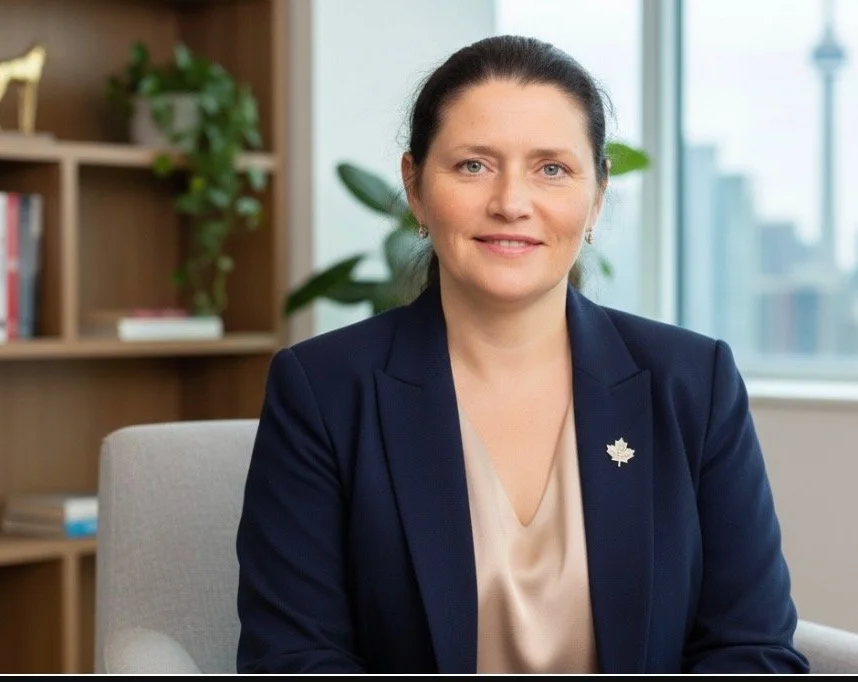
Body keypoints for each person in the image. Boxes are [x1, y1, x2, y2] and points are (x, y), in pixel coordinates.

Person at [234, 34, 810, 675]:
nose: (511, 202)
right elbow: (293, 658)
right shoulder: (323, 389)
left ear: (596, 197)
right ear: (416, 187)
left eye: (552, 169)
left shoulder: (692, 383)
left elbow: (751, 647)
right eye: (473, 165)